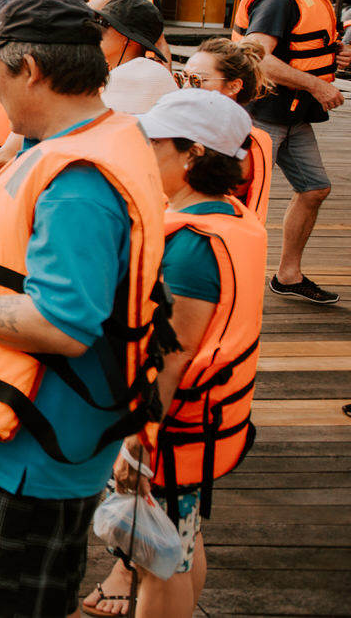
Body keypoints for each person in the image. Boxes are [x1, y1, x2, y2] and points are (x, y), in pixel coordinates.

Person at [0, 0, 171, 618]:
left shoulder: (78, 181)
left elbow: (63, 325)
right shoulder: (110, 137)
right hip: (49, 427)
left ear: (32, 71)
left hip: (38, 446)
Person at [82, 89, 266, 618]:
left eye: (153, 142)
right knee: (180, 542)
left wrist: (138, 446)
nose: (142, 150)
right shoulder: (227, 217)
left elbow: (175, 353)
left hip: (171, 429)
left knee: (154, 562)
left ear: (193, 154)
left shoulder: (189, 246)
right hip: (206, 421)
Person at [231, 0, 350, 305]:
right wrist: (317, 85)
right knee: (243, 199)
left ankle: (287, 275)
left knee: (315, 188)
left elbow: (302, 47)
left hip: (293, 115)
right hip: (261, 113)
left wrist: (335, 55)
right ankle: (225, 273)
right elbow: (257, 56)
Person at [181, 36, 275, 219]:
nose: (185, 87)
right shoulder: (186, 127)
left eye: (197, 80)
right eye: (182, 77)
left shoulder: (240, 143)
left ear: (234, 86)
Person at [99, 0, 178, 114]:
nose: (96, 30)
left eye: (104, 24)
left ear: (129, 39)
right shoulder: (136, 72)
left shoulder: (141, 76)